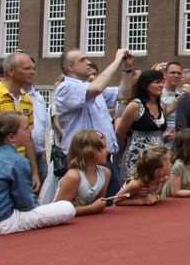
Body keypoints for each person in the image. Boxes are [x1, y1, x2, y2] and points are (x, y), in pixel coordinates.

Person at [54, 48, 134, 198]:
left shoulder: (90, 87)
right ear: (70, 67)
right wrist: (117, 60)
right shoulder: (65, 88)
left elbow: (123, 93)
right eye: (83, 60)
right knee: (84, 207)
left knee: (110, 204)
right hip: (81, 163)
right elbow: (97, 88)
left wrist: (127, 69)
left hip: (103, 161)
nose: (89, 62)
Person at [0, 112, 75, 235]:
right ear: (11, 137)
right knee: (67, 208)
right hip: (3, 222)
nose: (30, 131)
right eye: (26, 128)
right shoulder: (18, 162)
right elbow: (25, 204)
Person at [0, 51, 41, 192]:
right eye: (27, 68)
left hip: (20, 166)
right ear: (11, 71)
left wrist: (34, 172)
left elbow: (29, 138)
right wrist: (3, 131)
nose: (32, 72)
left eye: (33, 68)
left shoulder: (27, 100)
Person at [116, 69, 166, 181]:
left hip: (157, 157)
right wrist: (121, 153)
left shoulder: (161, 106)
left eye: (162, 82)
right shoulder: (135, 106)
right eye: (157, 82)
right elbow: (120, 132)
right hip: (137, 157)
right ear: (145, 85)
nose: (161, 85)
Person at [54, 130, 110, 216]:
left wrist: (87, 207)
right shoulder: (73, 176)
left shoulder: (105, 173)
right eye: (103, 147)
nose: (107, 151)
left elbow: (99, 204)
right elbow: (59, 211)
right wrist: (91, 208)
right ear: (89, 152)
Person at [160, 62, 184, 144]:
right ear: (165, 75)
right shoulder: (158, 93)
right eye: (172, 73)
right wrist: (172, 107)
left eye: (179, 73)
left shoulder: (181, 94)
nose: (176, 76)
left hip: (179, 140)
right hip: (163, 139)